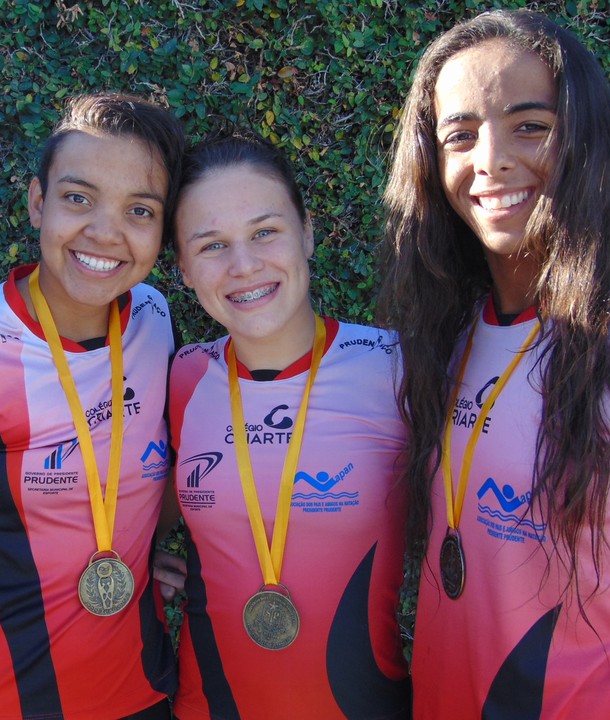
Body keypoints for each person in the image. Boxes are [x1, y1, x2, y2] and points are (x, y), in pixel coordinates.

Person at [378, 8, 610, 718]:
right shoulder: (445, 336)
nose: (491, 160)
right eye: (460, 136)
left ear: (584, 142)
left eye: (529, 126)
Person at [0, 92, 185, 720]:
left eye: (139, 210)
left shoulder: (156, 320)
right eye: (78, 198)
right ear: (36, 202)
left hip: (142, 690)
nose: (105, 231)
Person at [165, 130, 410, 719]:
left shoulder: (397, 369)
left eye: (265, 232)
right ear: (183, 270)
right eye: (212, 245)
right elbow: (132, 500)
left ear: (308, 234)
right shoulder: (180, 377)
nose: (244, 265)